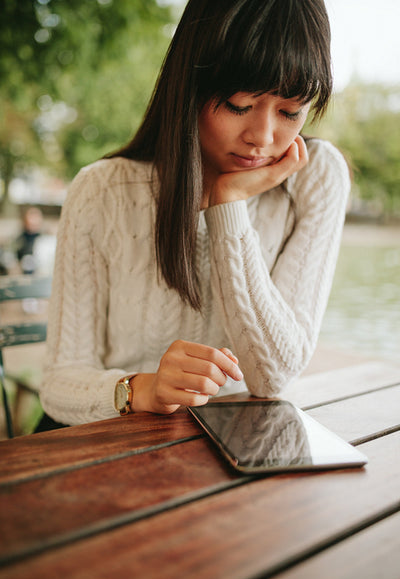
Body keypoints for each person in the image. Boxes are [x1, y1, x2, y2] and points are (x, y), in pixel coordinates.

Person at [40, 0, 350, 427]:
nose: (262, 137)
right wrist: (142, 387)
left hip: (237, 451)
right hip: (113, 443)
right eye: (240, 105)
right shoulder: (102, 191)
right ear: (191, 86)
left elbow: (272, 376)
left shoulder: (315, 178)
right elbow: (59, 383)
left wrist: (228, 205)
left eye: (290, 111)